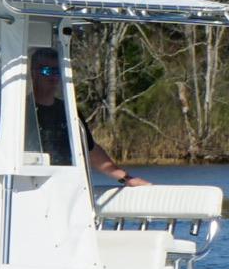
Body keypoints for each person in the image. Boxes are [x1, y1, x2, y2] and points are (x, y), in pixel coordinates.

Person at [27, 47, 148, 188]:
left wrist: (126, 178)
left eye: (57, 71)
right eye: (47, 71)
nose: (53, 77)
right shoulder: (21, 112)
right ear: (33, 73)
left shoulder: (70, 112)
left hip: (66, 187)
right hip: (30, 188)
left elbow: (89, 150)